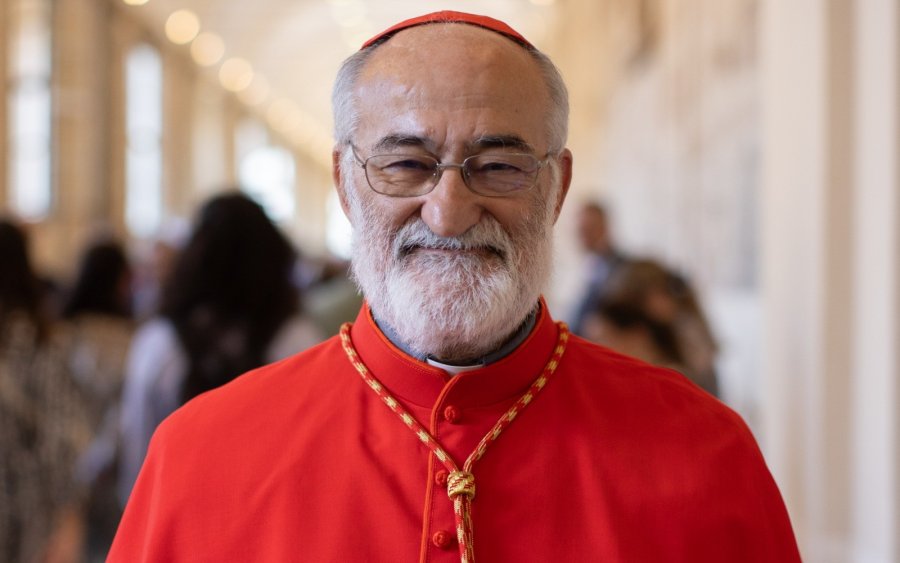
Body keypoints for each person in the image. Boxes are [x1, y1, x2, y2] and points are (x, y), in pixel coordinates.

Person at [110, 12, 800, 562]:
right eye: (406, 163)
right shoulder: (201, 454)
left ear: (555, 188)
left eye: (497, 165)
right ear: (347, 186)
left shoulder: (706, 453)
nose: (448, 210)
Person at [116, 192, 322, 505]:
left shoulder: (159, 344)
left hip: (180, 515)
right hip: (274, 522)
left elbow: (138, 452)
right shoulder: (301, 343)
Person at [0, 218, 91, 563]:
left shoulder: (32, 341)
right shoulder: (38, 341)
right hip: (27, 516)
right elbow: (64, 439)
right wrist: (68, 519)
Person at [569, 201, 628, 336]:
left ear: (604, 228)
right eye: (581, 230)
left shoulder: (621, 270)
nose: (583, 236)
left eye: (589, 229)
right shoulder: (588, 266)